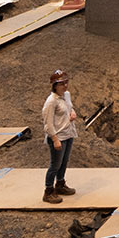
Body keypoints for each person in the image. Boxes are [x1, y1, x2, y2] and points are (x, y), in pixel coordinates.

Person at [41, 68, 78, 205]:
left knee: (64, 161)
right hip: (58, 136)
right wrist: (55, 139)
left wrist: (72, 112)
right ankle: (49, 191)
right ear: (55, 85)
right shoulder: (51, 102)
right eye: (62, 83)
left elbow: (69, 107)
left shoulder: (66, 95)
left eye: (66, 82)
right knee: (55, 164)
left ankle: (60, 184)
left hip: (68, 134)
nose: (65, 85)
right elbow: (48, 123)